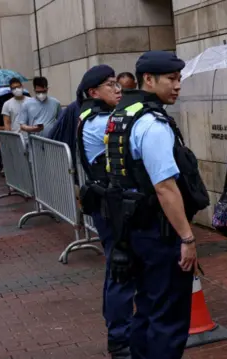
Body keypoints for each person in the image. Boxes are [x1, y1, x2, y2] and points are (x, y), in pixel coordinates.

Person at [99, 51, 209, 359]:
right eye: (171, 79)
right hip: (160, 235)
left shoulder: (120, 115)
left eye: (179, 79)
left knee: (145, 310)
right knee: (168, 319)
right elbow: (165, 187)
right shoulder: (153, 123)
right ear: (149, 79)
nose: (177, 86)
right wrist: (187, 238)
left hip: (133, 230)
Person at [75, 65, 132, 359]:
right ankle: (120, 339)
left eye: (117, 83)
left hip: (108, 206)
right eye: (111, 85)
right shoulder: (101, 121)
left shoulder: (89, 115)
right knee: (121, 269)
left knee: (116, 269)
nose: (118, 88)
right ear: (93, 92)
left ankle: (119, 330)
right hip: (113, 208)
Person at [18, 76, 61, 143]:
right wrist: (33, 129)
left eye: (43, 91)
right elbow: (22, 126)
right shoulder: (26, 104)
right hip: (35, 142)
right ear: (34, 90)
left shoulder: (56, 103)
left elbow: (60, 121)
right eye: (38, 92)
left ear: (47, 89)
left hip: (52, 142)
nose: (41, 94)